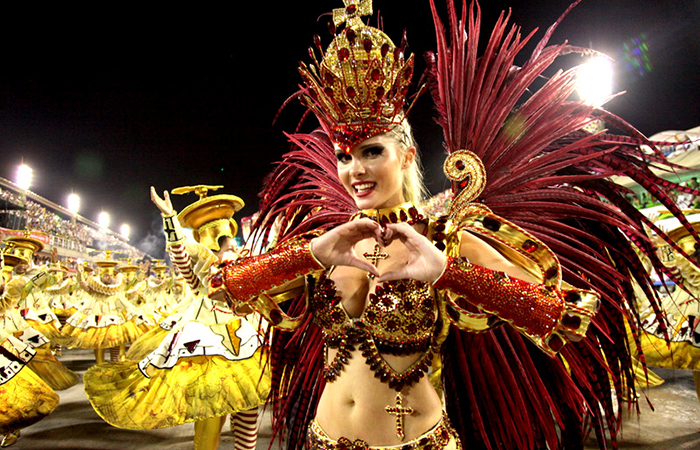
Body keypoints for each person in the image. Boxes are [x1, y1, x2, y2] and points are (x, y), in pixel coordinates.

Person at [216, 1, 700, 449]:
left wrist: (446, 272)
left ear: (405, 154)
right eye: (344, 156)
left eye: (371, 152)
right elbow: (224, 288)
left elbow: (563, 315)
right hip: (322, 439)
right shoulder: (325, 245)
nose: (355, 170)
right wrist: (311, 255)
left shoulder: (443, 238)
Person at [84, 185, 269, 450]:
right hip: (209, 344)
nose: (232, 249)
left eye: (232, 244)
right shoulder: (199, 278)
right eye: (224, 245)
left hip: (246, 338)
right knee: (210, 413)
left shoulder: (246, 266)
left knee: (249, 410)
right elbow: (180, 255)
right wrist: (170, 219)